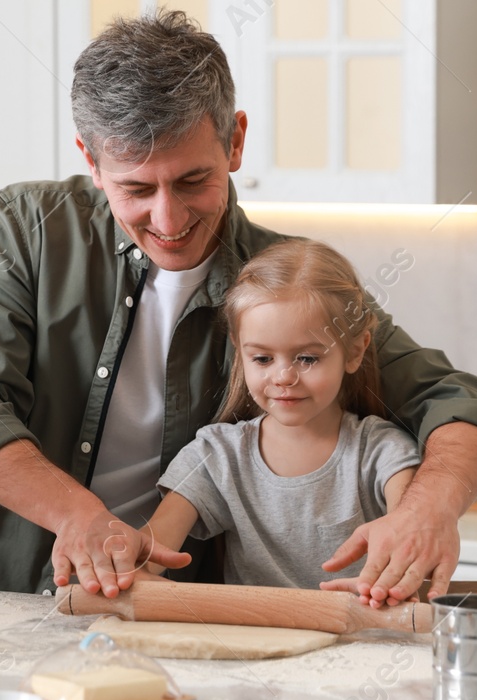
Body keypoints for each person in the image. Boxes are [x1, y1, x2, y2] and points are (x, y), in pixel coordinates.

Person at [0, 9, 477, 607]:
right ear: (90, 160)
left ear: (234, 142)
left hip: (143, 618)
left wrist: (427, 511)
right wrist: (78, 515)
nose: (169, 218)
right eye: (136, 189)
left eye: (192, 180)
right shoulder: (22, 227)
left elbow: (458, 403)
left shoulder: (287, 289)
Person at [146, 239, 421, 589]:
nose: (283, 377)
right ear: (239, 350)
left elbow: (409, 537)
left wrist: (390, 576)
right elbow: (150, 554)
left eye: (307, 358)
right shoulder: (217, 456)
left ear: (354, 351)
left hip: (366, 643)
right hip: (251, 644)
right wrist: (117, 560)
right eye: (262, 359)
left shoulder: (384, 453)